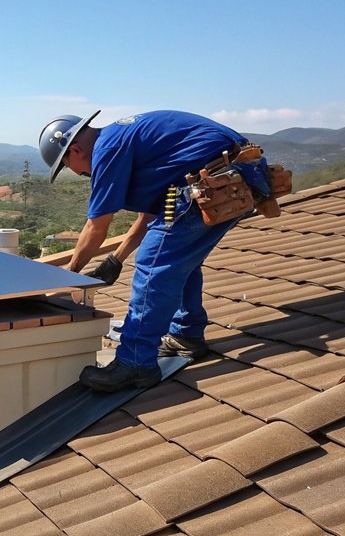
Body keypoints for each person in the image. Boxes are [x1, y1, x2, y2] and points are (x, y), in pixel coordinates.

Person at [39, 110, 273, 392]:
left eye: (66, 166)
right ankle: (186, 334)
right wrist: (116, 258)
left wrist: (70, 275)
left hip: (216, 180)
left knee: (154, 261)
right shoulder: (121, 138)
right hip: (238, 176)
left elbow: (96, 227)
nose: (77, 173)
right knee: (179, 256)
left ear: (74, 149)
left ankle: (135, 363)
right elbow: (150, 216)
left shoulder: (107, 149)